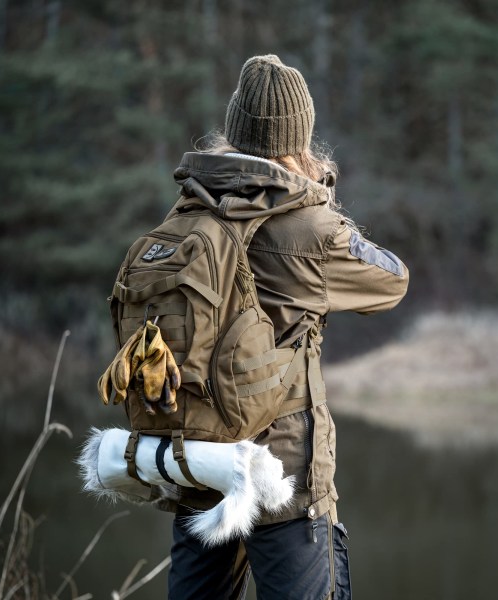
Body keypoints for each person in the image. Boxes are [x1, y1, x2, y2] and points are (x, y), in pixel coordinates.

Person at [155, 55, 408, 599]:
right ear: (302, 138)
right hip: (283, 476)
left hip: (202, 462)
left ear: (234, 128)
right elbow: (392, 281)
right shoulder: (312, 226)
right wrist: (322, 196)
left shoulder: (190, 209)